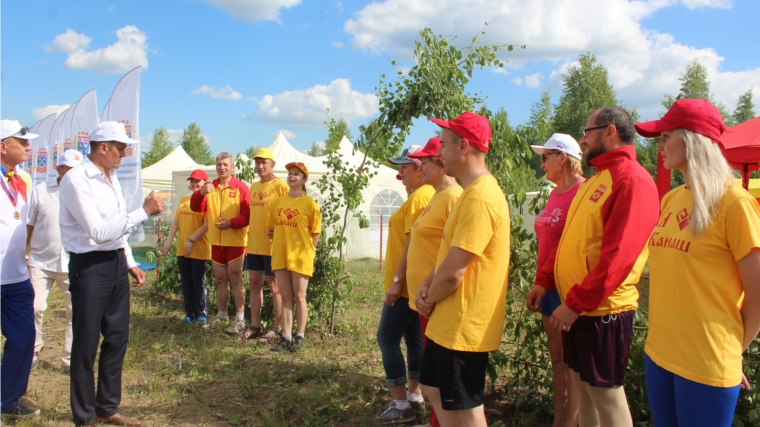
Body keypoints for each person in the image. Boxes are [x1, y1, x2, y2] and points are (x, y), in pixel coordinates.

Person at [526, 107, 659, 427]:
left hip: (603, 310)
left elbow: (619, 256)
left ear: (610, 131)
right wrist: (544, 280)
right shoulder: (594, 182)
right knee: (583, 393)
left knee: (606, 397)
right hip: (580, 307)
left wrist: (576, 304)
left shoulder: (632, 180)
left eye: (588, 133)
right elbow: (568, 241)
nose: (583, 141)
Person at [634, 99, 760, 427]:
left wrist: (732, 353)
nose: (659, 145)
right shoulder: (672, 199)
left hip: (707, 364)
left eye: (665, 136)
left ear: (693, 140)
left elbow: (758, 296)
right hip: (659, 355)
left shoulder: (735, 204)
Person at [59, 121, 164, 426]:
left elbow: (117, 229)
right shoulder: (77, 180)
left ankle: (107, 406)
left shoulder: (112, 176)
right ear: (102, 148)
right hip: (90, 267)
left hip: (115, 263)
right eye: (120, 148)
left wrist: (129, 260)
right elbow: (99, 231)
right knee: (86, 341)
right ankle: (85, 415)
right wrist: (144, 212)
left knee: (117, 337)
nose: (125, 153)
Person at [416, 112, 511, 427]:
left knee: (465, 409)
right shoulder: (468, 194)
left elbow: (455, 272)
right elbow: (447, 253)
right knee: (432, 387)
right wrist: (427, 285)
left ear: (464, 147)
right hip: (449, 319)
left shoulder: (481, 198)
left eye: (443, 145)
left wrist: (429, 297)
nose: (440, 153)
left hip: (463, 324)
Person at [373, 144, 435, 424]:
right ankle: (414, 397)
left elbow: (413, 243)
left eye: (404, 167)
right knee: (413, 340)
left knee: (386, 338)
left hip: (407, 284)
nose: (400, 172)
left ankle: (401, 403)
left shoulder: (422, 197)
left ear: (420, 168)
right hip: (410, 283)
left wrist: (397, 281)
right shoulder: (420, 196)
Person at [525, 134, 584, 427]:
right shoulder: (554, 193)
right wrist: (541, 281)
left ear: (563, 158)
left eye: (545, 157)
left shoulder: (583, 192)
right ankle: (560, 421)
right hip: (548, 286)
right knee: (558, 357)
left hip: (568, 288)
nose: (542, 163)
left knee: (574, 362)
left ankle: (570, 422)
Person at [404, 137, 462, 427]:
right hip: (425, 295)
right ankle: (435, 418)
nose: (419, 166)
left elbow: (452, 252)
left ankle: (439, 421)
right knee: (432, 367)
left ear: (441, 165)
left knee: (439, 371)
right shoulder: (436, 196)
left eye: (425, 161)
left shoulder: (453, 197)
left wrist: (432, 289)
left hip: (436, 298)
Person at [26, 149, 83, 374]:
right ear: (59, 169)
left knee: (75, 312)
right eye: (68, 170)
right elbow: (29, 223)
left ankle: (70, 358)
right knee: (35, 307)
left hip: (72, 262)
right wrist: (24, 252)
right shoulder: (40, 191)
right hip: (40, 261)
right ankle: (33, 349)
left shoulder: (83, 194)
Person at [0, 120, 40, 419]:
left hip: (15, 276)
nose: (29, 147)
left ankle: (8, 401)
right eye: (22, 142)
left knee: (24, 337)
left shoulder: (24, 179)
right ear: (3, 146)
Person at [190, 152, 250, 334]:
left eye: (225, 164)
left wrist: (231, 223)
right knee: (220, 279)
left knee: (235, 277)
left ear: (232, 167)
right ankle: (222, 315)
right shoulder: (210, 187)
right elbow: (195, 208)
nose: (222, 168)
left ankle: (240, 318)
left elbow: (248, 215)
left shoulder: (241, 187)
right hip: (216, 241)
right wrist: (200, 193)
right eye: (219, 165)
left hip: (236, 242)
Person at [267, 162, 321, 352]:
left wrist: (308, 251)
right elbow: (271, 228)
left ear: (304, 179)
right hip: (280, 255)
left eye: (297, 174)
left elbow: (316, 232)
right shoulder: (279, 202)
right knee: (285, 295)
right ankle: (286, 336)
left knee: (299, 296)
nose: (292, 176)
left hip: (301, 257)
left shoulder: (310, 204)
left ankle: (300, 335)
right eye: (290, 173)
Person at [239, 148, 288, 342]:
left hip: (272, 246)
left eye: (264, 162)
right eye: (257, 163)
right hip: (254, 244)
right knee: (254, 284)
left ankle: (277, 328)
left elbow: (289, 209)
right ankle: (255, 326)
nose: (260, 166)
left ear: (272, 164)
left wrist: (280, 231)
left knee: (274, 286)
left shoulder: (280, 186)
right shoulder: (254, 186)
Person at [161, 169, 211, 324]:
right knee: (186, 282)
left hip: (199, 249)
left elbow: (206, 225)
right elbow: (176, 222)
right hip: (182, 249)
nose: (195, 184)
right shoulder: (183, 200)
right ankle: (189, 313)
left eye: (198, 181)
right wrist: (169, 242)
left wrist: (191, 240)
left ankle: (201, 313)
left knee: (198, 282)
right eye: (192, 181)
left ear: (205, 183)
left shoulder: (208, 200)